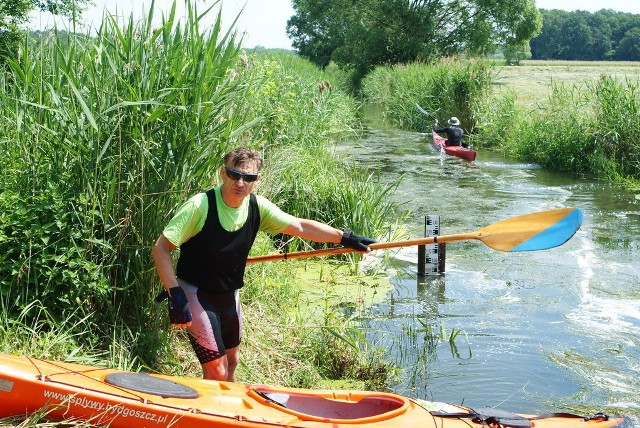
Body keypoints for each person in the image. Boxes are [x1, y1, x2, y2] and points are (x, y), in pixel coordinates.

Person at [152, 147, 375, 382]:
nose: (240, 182)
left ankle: (232, 415)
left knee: (232, 362)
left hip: (229, 295)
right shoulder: (200, 206)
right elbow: (161, 248)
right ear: (222, 173)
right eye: (233, 174)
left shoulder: (257, 207)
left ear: (257, 180)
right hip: (195, 294)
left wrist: (344, 237)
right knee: (216, 370)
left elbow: (299, 227)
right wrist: (175, 294)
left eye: (248, 178)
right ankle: (209, 415)